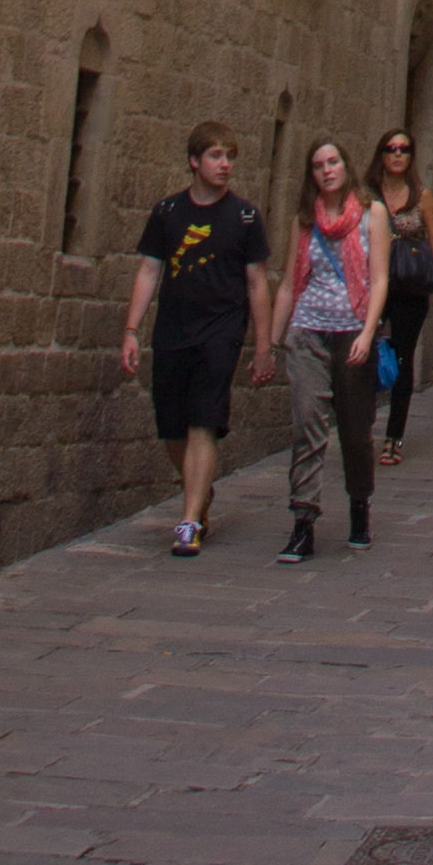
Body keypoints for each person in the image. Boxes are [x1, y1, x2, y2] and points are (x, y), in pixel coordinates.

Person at [121, 120, 273, 551]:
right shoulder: (168, 213)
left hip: (221, 332)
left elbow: (257, 284)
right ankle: (199, 492)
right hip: (173, 330)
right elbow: (149, 271)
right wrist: (131, 330)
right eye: (215, 156)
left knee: (203, 421)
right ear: (194, 161)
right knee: (173, 428)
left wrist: (263, 346)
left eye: (229, 157)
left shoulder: (244, 217)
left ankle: (188, 522)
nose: (225, 165)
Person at [275, 135, 388, 558]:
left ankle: (359, 505)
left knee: (356, 433)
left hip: (352, 332)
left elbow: (379, 279)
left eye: (333, 162)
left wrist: (367, 332)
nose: (327, 170)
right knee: (307, 424)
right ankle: (303, 521)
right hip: (309, 331)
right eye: (318, 165)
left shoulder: (373, 214)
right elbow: (289, 284)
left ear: (346, 166)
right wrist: (271, 341)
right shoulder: (305, 220)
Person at [363, 129, 433, 466]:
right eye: (391, 149)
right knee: (364, 353)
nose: (397, 154)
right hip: (373, 286)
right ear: (381, 154)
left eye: (404, 149)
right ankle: (363, 424)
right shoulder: (367, 194)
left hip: (409, 289)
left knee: (402, 358)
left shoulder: (421, 196)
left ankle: (394, 437)